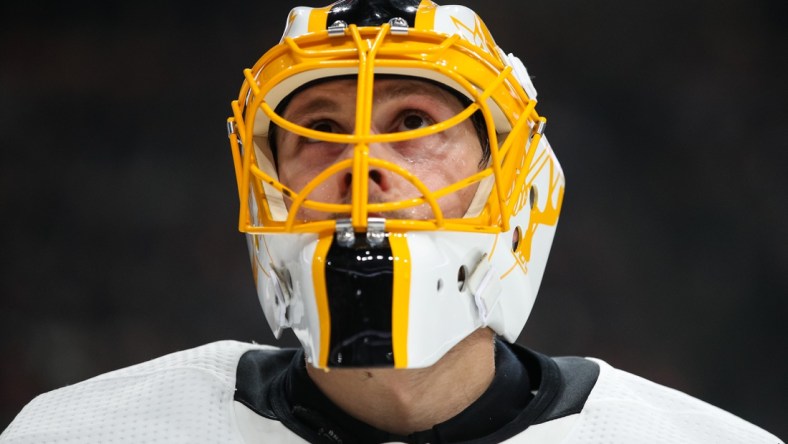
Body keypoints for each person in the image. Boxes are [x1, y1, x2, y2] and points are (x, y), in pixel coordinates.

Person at [0, 1, 783, 443]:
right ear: (265, 178)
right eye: (320, 130)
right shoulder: (84, 432)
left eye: (412, 120)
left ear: (512, 184)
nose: (364, 161)